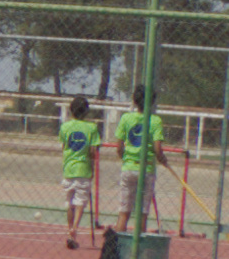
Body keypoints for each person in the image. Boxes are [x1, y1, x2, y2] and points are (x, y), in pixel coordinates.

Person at [115, 89, 176, 233]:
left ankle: (117, 243)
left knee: (124, 212)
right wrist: (162, 159)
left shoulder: (126, 118)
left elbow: (119, 147)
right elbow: (157, 148)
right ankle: (139, 243)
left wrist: (126, 158)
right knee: (142, 213)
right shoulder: (155, 120)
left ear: (134, 101)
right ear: (152, 102)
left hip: (129, 168)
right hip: (146, 169)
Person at [58, 90, 101, 247]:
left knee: (70, 202)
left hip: (69, 168)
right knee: (80, 201)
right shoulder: (92, 128)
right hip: (83, 169)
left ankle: (70, 229)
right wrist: (92, 166)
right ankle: (74, 227)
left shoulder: (65, 127)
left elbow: (64, 146)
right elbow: (93, 151)